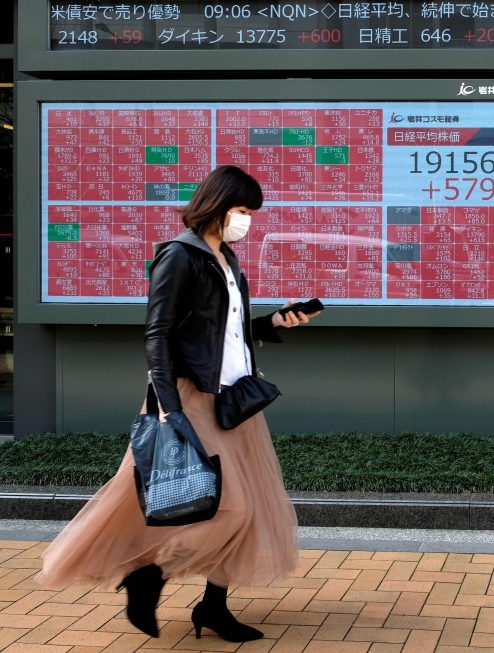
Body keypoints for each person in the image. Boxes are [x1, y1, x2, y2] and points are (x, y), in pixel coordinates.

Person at [39, 165, 321, 643]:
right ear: (216, 204)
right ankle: (150, 575)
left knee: (247, 510)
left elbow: (222, 333)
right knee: (229, 508)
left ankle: (213, 608)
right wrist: (169, 408)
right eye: (241, 210)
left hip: (234, 397)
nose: (247, 220)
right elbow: (158, 336)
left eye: (251, 213)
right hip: (188, 398)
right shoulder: (180, 255)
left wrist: (273, 323)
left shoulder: (225, 257)